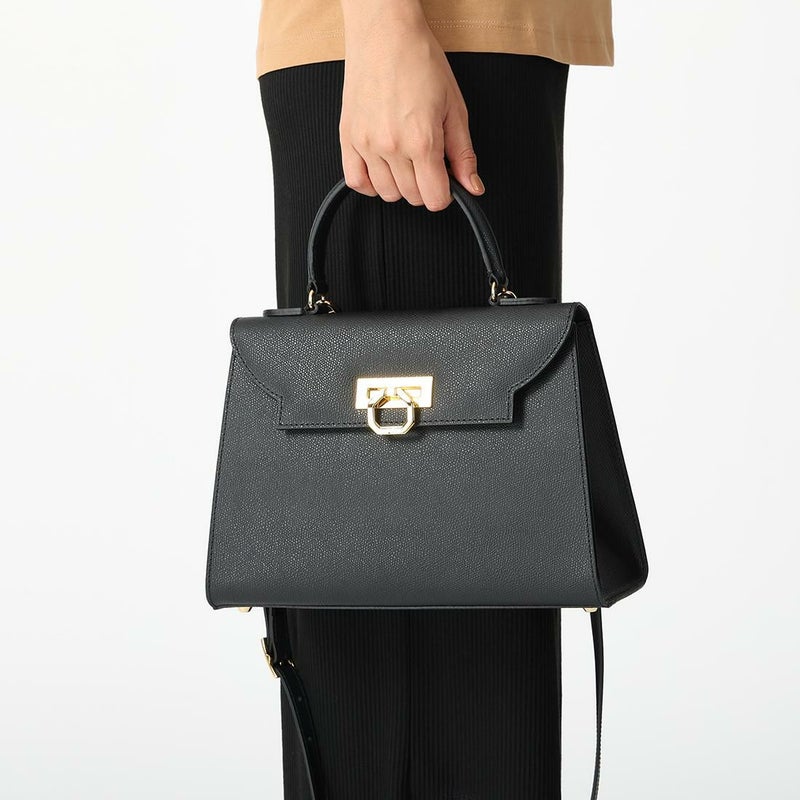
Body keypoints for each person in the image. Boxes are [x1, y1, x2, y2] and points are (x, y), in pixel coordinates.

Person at [256, 1, 614, 797]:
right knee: (427, 656)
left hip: (475, 40)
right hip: (420, 39)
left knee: (496, 580)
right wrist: (383, 27)